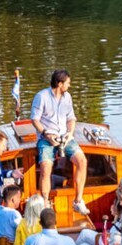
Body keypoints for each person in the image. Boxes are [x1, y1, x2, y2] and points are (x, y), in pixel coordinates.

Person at [29, 69, 88, 214]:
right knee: (45, 168)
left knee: (82, 161)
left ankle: (78, 201)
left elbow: (71, 118)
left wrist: (70, 133)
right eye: (67, 83)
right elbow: (34, 119)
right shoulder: (41, 97)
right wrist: (46, 134)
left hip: (65, 137)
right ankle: (44, 203)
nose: (69, 85)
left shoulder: (67, 97)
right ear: (59, 83)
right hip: (46, 138)